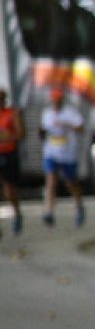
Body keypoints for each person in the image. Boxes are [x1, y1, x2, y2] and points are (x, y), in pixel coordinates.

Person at [40, 87, 84, 227]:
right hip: (51, 152)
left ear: (62, 100)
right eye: (54, 100)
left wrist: (67, 125)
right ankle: (49, 211)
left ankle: (79, 206)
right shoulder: (47, 114)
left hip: (67, 153)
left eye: (58, 100)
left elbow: (81, 128)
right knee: (51, 181)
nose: (56, 102)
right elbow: (43, 130)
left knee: (70, 182)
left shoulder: (70, 113)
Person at [0, 87, 24, 236]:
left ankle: (17, 213)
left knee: (9, 189)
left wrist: (7, 137)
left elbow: (21, 134)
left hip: (8, 154)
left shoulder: (12, 114)